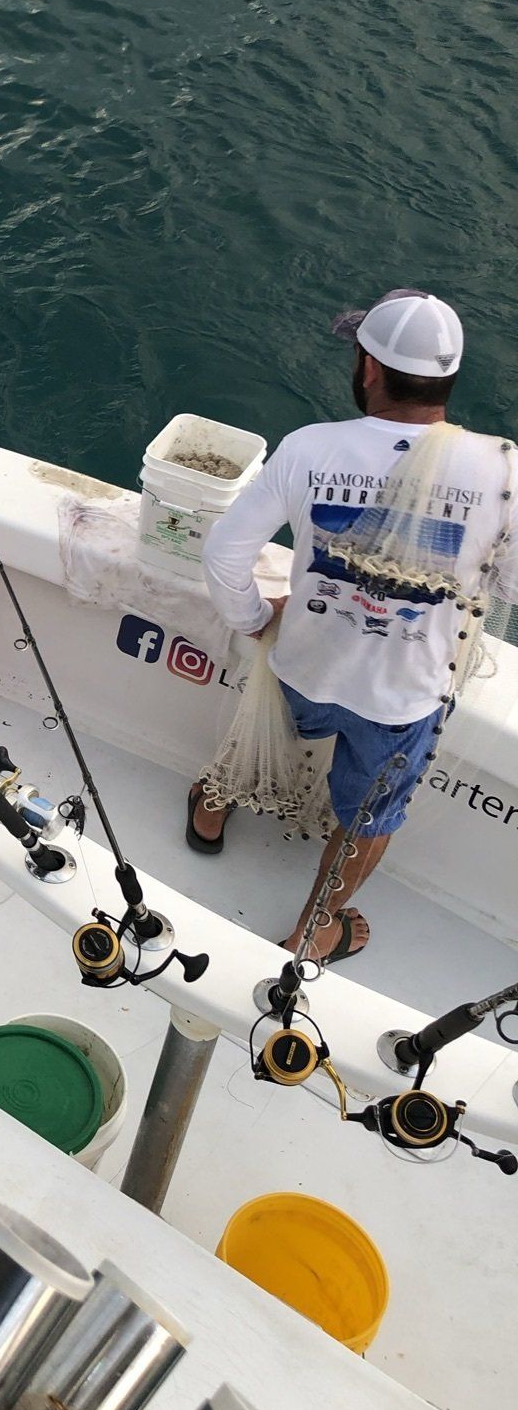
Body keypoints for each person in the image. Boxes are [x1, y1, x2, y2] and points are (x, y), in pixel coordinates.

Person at [190, 289, 518, 961]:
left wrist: (254, 618)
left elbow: (224, 553)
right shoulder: (504, 470)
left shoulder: (311, 447)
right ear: (449, 378)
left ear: (369, 368)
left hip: (303, 665)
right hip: (401, 699)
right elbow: (508, 584)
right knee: (367, 818)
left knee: (256, 738)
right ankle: (314, 934)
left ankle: (209, 808)